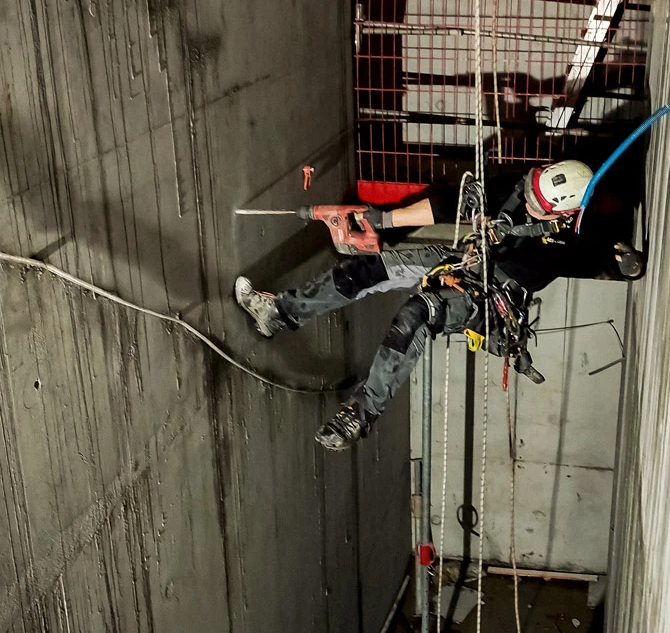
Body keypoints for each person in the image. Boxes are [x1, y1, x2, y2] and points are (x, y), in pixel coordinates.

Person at [234, 161, 644, 452]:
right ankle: (280, 313)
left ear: (565, 212)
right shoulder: (520, 190)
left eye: (538, 208)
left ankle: (360, 414)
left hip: (490, 296)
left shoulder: (577, 235)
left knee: (417, 315)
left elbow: (619, 261)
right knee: (367, 269)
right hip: (463, 259)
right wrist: (387, 221)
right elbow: (446, 205)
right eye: (530, 193)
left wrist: (625, 259)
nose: (527, 206)